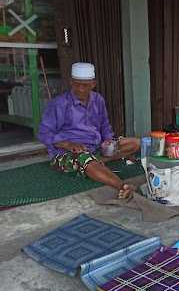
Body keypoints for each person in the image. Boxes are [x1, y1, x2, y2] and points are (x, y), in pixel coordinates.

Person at [39, 62, 140, 199]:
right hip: (66, 154)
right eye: (76, 84)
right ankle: (122, 186)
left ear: (93, 84)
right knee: (85, 159)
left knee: (134, 143)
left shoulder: (98, 100)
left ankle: (96, 162)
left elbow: (104, 125)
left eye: (85, 85)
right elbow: (44, 133)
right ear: (71, 83)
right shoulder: (59, 104)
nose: (80, 89)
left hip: (95, 147)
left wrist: (108, 140)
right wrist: (68, 144)